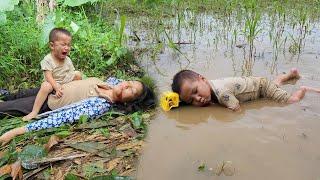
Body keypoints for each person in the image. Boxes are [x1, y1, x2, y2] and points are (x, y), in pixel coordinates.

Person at [0, 77, 154, 145]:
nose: (126, 85)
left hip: (48, 103)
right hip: (54, 88)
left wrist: (17, 131)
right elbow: (119, 81)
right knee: (14, 95)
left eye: (131, 91)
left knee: (4, 108)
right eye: (130, 82)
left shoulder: (99, 105)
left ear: (129, 102)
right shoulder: (111, 83)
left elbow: (60, 118)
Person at [171, 68, 320, 110]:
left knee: (291, 101)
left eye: (196, 92)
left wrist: (213, 107)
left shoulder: (222, 94)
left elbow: (236, 108)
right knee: (274, 85)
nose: (198, 98)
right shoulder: (211, 85)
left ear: (203, 79)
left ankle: (303, 89)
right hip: (258, 83)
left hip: (262, 87)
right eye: (192, 100)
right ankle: (290, 75)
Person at [23, 28, 82, 121]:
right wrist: (57, 87)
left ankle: (77, 95)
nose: (66, 48)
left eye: (69, 45)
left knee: (78, 74)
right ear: (52, 45)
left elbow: (71, 73)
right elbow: (48, 77)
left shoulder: (68, 60)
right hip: (53, 83)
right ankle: (34, 111)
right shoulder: (48, 60)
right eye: (63, 44)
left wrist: (70, 84)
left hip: (65, 83)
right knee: (46, 86)